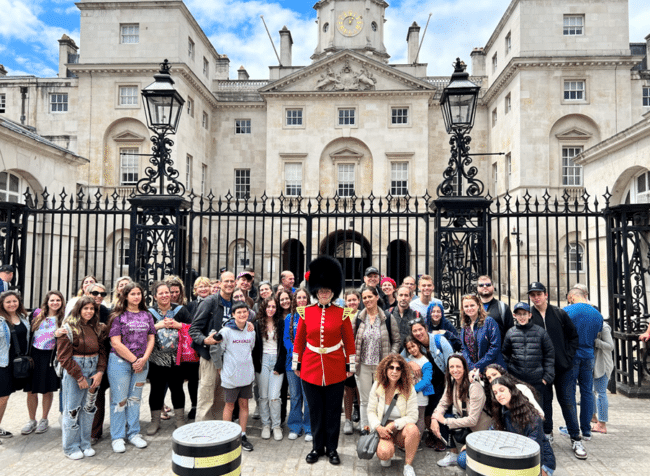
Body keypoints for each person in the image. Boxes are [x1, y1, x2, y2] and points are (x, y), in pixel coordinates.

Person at [292, 256, 356, 465]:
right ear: (315, 292)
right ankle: (317, 448)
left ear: (333, 292)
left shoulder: (342, 313)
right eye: (320, 291)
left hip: (336, 367)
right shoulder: (305, 312)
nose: (324, 293)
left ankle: (332, 449)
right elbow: (299, 340)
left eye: (327, 291)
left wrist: (350, 365)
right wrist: (297, 364)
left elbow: (349, 341)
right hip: (310, 367)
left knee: (332, 411)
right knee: (315, 410)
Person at [528, 281, 583, 458]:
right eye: (533, 295)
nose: (536, 297)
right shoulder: (529, 316)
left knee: (567, 402)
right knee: (545, 403)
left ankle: (576, 437)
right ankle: (547, 434)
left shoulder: (560, 313)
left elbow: (573, 337)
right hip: (542, 370)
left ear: (546, 295)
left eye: (539, 294)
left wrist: (567, 357)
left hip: (562, 368)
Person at [107, 282, 156, 453]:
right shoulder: (117, 316)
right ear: (126, 296)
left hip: (142, 363)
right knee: (119, 400)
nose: (136, 297)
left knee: (134, 399)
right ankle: (118, 436)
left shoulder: (147, 315)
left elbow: (151, 338)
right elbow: (115, 342)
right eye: (133, 294)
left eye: (139, 293)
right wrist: (135, 360)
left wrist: (144, 359)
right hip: (120, 363)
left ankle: (134, 433)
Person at [57, 296, 107, 460]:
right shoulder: (68, 329)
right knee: (72, 410)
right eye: (85, 308)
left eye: (92, 309)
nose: (89, 311)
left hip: (93, 370)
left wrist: (99, 372)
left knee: (88, 409)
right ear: (78, 309)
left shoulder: (96, 328)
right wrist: (79, 377)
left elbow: (101, 351)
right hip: (75, 372)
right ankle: (70, 447)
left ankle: (85, 444)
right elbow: (64, 358)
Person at [189, 270, 236, 421]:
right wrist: (205, 340)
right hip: (210, 357)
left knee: (222, 398)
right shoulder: (210, 302)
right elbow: (193, 329)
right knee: (206, 397)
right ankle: (202, 433)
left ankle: (216, 433)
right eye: (226, 281)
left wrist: (249, 325)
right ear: (220, 284)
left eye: (231, 281)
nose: (229, 284)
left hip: (228, 358)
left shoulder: (235, 303)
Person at [146, 281, 192, 435]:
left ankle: (180, 419)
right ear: (155, 296)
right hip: (156, 359)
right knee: (156, 390)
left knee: (177, 388)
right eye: (161, 293)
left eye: (167, 292)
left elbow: (192, 328)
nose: (165, 295)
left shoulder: (180, 310)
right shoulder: (149, 312)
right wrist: (157, 326)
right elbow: (142, 332)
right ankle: (155, 421)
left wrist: (179, 325)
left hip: (176, 359)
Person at [210, 301, 256, 451]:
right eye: (239, 312)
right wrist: (219, 368)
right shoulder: (226, 331)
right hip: (231, 375)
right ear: (233, 315)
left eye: (245, 312)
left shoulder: (251, 330)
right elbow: (218, 350)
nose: (242, 315)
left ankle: (242, 434)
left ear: (248, 314)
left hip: (246, 375)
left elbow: (251, 348)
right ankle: (226, 435)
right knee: (229, 405)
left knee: (244, 405)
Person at [431, 354, 491, 468]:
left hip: (481, 432)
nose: (455, 370)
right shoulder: (452, 382)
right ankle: (453, 453)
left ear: (464, 368)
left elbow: (473, 420)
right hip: (467, 428)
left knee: (463, 462)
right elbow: (443, 403)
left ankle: (483, 456)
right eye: (451, 367)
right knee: (439, 418)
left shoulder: (474, 387)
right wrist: (434, 418)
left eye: (458, 366)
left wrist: (446, 421)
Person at [559, 287, 603, 442]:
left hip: (572, 355)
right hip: (589, 354)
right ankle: (586, 430)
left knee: (570, 393)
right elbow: (598, 332)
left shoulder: (567, 311)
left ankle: (573, 428)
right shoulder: (597, 314)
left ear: (571, 297)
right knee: (587, 392)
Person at [355, 285, 400, 433]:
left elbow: (397, 341)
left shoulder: (388, 317)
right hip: (363, 366)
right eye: (365, 297)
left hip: (382, 366)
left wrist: (390, 358)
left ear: (376, 297)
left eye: (370, 296)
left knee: (381, 399)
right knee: (365, 400)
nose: (367, 300)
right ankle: (365, 427)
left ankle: (379, 429)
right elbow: (351, 339)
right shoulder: (359, 318)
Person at [490, 375, 556, 476]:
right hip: (515, 457)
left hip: (541, 462)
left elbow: (535, 450)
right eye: (495, 393)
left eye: (502, 390)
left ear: (511, 390)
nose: (498, 395)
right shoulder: (501, 411)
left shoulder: (531, 416)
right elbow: (492, 432)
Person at [367, 354, 420, 476]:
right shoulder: (377, 385)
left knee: (413, 430)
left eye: (398, 368)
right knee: (385, 455)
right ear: (385, 369)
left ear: (403, 372)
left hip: (401, 429)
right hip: (383, 430)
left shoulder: (409, 389)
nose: (394, 371)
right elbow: (370, 411)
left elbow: (413, 416)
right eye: (391, 367)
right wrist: (378, 427)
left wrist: (394, 424)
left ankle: (408, 465)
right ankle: (388, 449)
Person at [22, 291, 65, 436]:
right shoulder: (37, 314)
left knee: (47, 389)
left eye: (58, 300)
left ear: (61, 302)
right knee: (31, 390)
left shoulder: (63, 318)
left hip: (50, 357)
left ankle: (44, 419)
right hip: (34, 355)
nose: (55, 303)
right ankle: (31, 420)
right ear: (47, 302)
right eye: (52, 300)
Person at [407, 317, 453, 450]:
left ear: (426, 329)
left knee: (440, 410)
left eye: (420, 329)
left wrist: (450, 384)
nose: (418, 333)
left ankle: (442, 438)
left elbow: (450, 361)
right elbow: (401, 357)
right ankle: (432, 434)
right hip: (426, 385)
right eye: (414, 331)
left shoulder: (439, 341)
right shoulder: (414, 343)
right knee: (426, 411)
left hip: (441, 382)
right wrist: (410, 362)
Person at [501, 302, 555, 408]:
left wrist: (546, 377)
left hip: (537, 381)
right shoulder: (510, 333)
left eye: (524, 314)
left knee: (537, 411)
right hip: (516, 379)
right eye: (519, 314)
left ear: (529, 315)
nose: (522, 317)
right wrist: (508, 375)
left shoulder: (540, 332)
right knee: (519, 410)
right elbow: (505, 354)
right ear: (514, 316)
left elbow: (549, 354)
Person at [252, 296, 286, 440]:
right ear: (263, 308)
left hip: (277, 361)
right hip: (263, 361)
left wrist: (280, 364)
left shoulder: (281, 323)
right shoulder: (257, 324)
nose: (270, 309)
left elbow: (284, 346)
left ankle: (276, 426)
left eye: (273, 307)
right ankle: (266, 425)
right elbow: (254, 347)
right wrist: (257, 365)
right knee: (263, 396)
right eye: (268, 307)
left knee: (274, 397)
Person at [0, 290, 31, 438]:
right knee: (2, 397)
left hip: (18, 363)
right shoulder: (0, 320)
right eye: (8, 302)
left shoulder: (24, 318)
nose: (12, 304)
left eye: (14, 301)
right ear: (2, 304)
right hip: (3, 363)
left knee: (6, 396)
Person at [283, 288, 312, 441]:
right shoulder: (290, 317)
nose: (301, 300)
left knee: (308, 397)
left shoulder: (313, 315)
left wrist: (304, 355)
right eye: (298, 297)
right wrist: (296, 353)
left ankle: (308, 428)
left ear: (308, 299)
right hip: (291, 362)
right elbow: (286, 339)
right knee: (295, 396)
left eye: (304, 297)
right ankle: (295, 426)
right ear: (295, 300)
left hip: (308, 362)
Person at [459, 294, 505, 374]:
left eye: (472, 305)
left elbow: (495, 347)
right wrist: (470, 366)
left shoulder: (489, 322)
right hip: (473, 371)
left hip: (492, 369)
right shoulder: (465, 326)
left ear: (478, 305)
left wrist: (477, 366)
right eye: (466, 306)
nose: (469, 308)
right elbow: (464, 348)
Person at [404, 336, 434, 437]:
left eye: (413, 346)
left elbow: (426, 380)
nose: (412, 349)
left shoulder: (425, 362)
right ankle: (409, 439)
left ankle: (417, 441)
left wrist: (413, 390)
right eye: (409, 348)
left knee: (420, 418)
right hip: (410, 395)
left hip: (421, 396)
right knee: (411, 417)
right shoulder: (409, 359)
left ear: (419, 345)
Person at [342, 289, 362, 434]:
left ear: (359, 301)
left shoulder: (364, 315)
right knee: (348, 391)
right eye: (349, 300)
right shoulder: (342, 316)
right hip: (344, 357)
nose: (352, 302)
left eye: (354, 300)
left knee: (361, 390)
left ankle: (362, 420)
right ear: (345, 301)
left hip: (361, 358)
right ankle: (348, 421)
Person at [476, 275, 514, 343]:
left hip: (498, 350)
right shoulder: (472, 308)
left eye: (488, 284)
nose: (485, 286)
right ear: (477, 288)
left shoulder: (503, 307)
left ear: (493, 287)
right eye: (481, 285)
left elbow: (510, 332)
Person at [592, 321, 613, 434]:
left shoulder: (604, 327)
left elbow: (610, 346)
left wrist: (596, 342)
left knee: (600, 393)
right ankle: (593, 417)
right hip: (592, 363)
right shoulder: (588, 325)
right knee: (590, 391)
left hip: (602, 364)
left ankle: (602, 424)